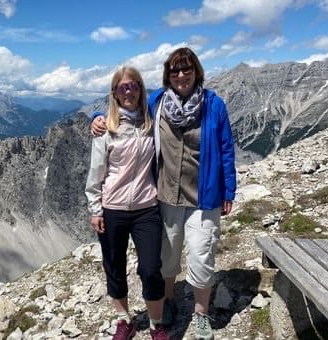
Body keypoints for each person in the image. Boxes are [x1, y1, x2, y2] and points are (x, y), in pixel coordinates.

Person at [91, 48, 236, 340]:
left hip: (203, 196)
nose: (181, 75)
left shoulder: (213, 105)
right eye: (174, 71)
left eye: (187, 70)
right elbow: (123, 110)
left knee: (201, 255)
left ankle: (201, 314)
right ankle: (166, 305)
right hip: (167, 196)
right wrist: (96, 118)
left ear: (197, 72)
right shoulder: (158, 102)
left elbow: (226, 148)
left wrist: (228, 189)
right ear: (167, 76)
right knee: (166, 259)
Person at [85, 66, 169, 340]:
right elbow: (96, 172)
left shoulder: (151, 120)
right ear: (115, 93)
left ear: (141, 89)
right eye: (123, 87)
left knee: (150, 269)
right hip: (113, 209)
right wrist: (95, 209)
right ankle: (124, 320)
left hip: (147, 206)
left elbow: (173, 92)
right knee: (114, 267)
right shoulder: (105, 129)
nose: (128, 91)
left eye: (133, 86)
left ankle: (156, 324)